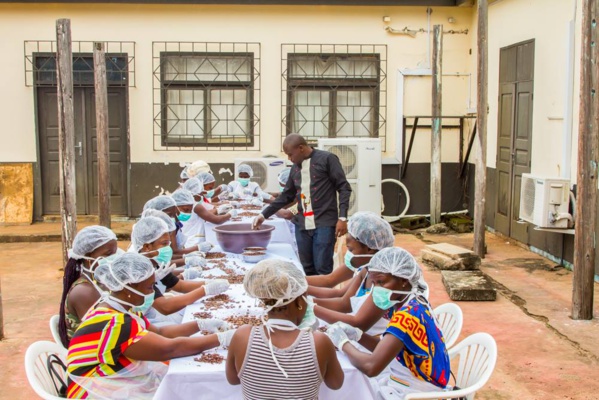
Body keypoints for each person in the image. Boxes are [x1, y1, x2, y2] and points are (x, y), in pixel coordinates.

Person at [67, 253, 235, 399]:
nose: (151, 293)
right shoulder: (116, 324)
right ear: (128, 288)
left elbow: (161, 332)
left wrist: (200, 325)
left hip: (109, 380)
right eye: (148, 288)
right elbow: (169, 349)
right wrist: (221, 339)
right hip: (93, 390)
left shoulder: (121, 308)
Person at [324, 247, 450, 398]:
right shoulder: (416, 301)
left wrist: (343, 343)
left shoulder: (407, 316)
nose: (377, 289)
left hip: (417, 392)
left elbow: (371, 367)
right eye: (374, 283)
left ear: (403, 280)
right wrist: (357, 335)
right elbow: (387, 348)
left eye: (382, 282)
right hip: (411, 381)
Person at [226, 259, 344, 399]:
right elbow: (336, 383)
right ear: (300, 302)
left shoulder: (243, 336)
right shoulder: (319, 342)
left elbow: (233, 380)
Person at [253, 133, 352, 276]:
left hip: (324, 223)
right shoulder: (295, 168)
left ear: (301, 148)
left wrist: (342, 218)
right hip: (302, 225)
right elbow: (286, 196)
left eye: (290, 154)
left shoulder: (327, 159)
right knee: (306, 269)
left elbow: (344, 188)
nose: (289, 159)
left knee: (323, 268)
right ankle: (310, 298)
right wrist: (264, 214)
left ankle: (321, 298)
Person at [309, 212, 397, 335]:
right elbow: (344, 302)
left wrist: (308, 306)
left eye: (351, 249)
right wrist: (303, 295)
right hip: (359, 336)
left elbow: (359, 323)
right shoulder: (366, 270)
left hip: (374, 343)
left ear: (369, 249)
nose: (348, 254)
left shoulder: (386, 283)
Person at [130, 216, 229, 323]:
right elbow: (165, 307)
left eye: (168, 244)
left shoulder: (155, 262)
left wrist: (209, 283)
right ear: (147, 247)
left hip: (150, 313)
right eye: (164, 244)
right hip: (137, 321)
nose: (168, 248)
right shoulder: (138, 270)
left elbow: (178, 285)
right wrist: (205, 290)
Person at [59, 226, 121, 348]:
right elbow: (104, 334)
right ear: (88, 257)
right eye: (108, 254)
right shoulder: (84, 292)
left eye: (115, 253)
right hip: (90, 355)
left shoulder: (99, 281)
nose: (114, 258)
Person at [181, 177, 236, 249]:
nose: (202, 195)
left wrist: (219, 210)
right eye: (201, 193)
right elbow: (217, 220)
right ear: (196, 192)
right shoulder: (195, 206)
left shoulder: (184, 203)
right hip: (195, 242)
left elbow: (203, 214)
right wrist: (230, 214)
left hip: (186, 240)